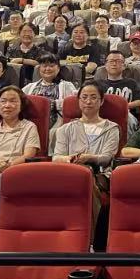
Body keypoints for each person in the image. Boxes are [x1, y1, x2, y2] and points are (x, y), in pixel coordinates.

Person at [52, 82, 120, 228]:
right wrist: (70, 159)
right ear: (78, 101)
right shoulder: (65, 129)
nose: (88, 101)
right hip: (70, 173)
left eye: (93, 97)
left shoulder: (111, 128)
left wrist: (90, 158)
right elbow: (56, 157)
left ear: (101, 101)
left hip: (100, 176)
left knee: (86, 181)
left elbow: (107, 157)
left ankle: (88, 236)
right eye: (84, 97)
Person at [22, 53, 78, 143]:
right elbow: (19, 101)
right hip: (31, 122)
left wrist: (54, 104)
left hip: (57, 123)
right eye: (44, 66)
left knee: (55, 132)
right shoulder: (30, 87)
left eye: (51, 66)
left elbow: (73, 105)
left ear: (58, 68)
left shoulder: (67, 86)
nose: (47, 69)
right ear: (39, 69)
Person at [97, 51, 140, 132]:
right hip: (103, 115)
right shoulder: (97, 84)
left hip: (126, 115)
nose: (114, 64)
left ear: (124, 66)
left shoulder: (132, 83)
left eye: (118, 61)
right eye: (111, 61)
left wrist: (123, 107)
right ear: (106, 65)